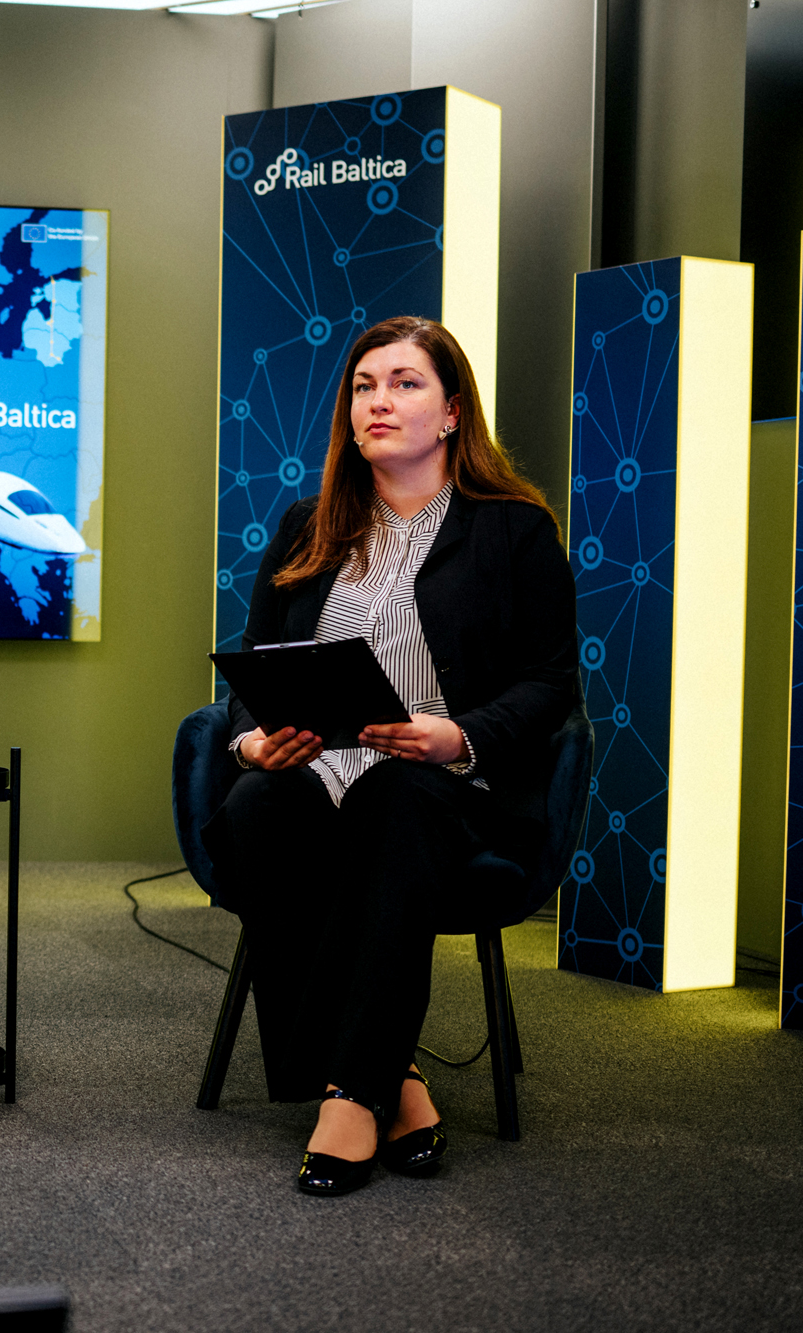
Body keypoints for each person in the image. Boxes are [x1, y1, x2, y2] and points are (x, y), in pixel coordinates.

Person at [201, 315, 576, 1196]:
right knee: (253, 811)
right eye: (365, 385)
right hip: (316, 767)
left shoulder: (514, 529)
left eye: (406, 383)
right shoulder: (307, 526)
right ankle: (389, 1076)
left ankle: (346, 1096)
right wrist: (255, 738)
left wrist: (459, 735)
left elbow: (552, 681)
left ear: (451, 412)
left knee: (397, 801)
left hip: (444, 782)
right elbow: (255, 663)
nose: (380, 400)